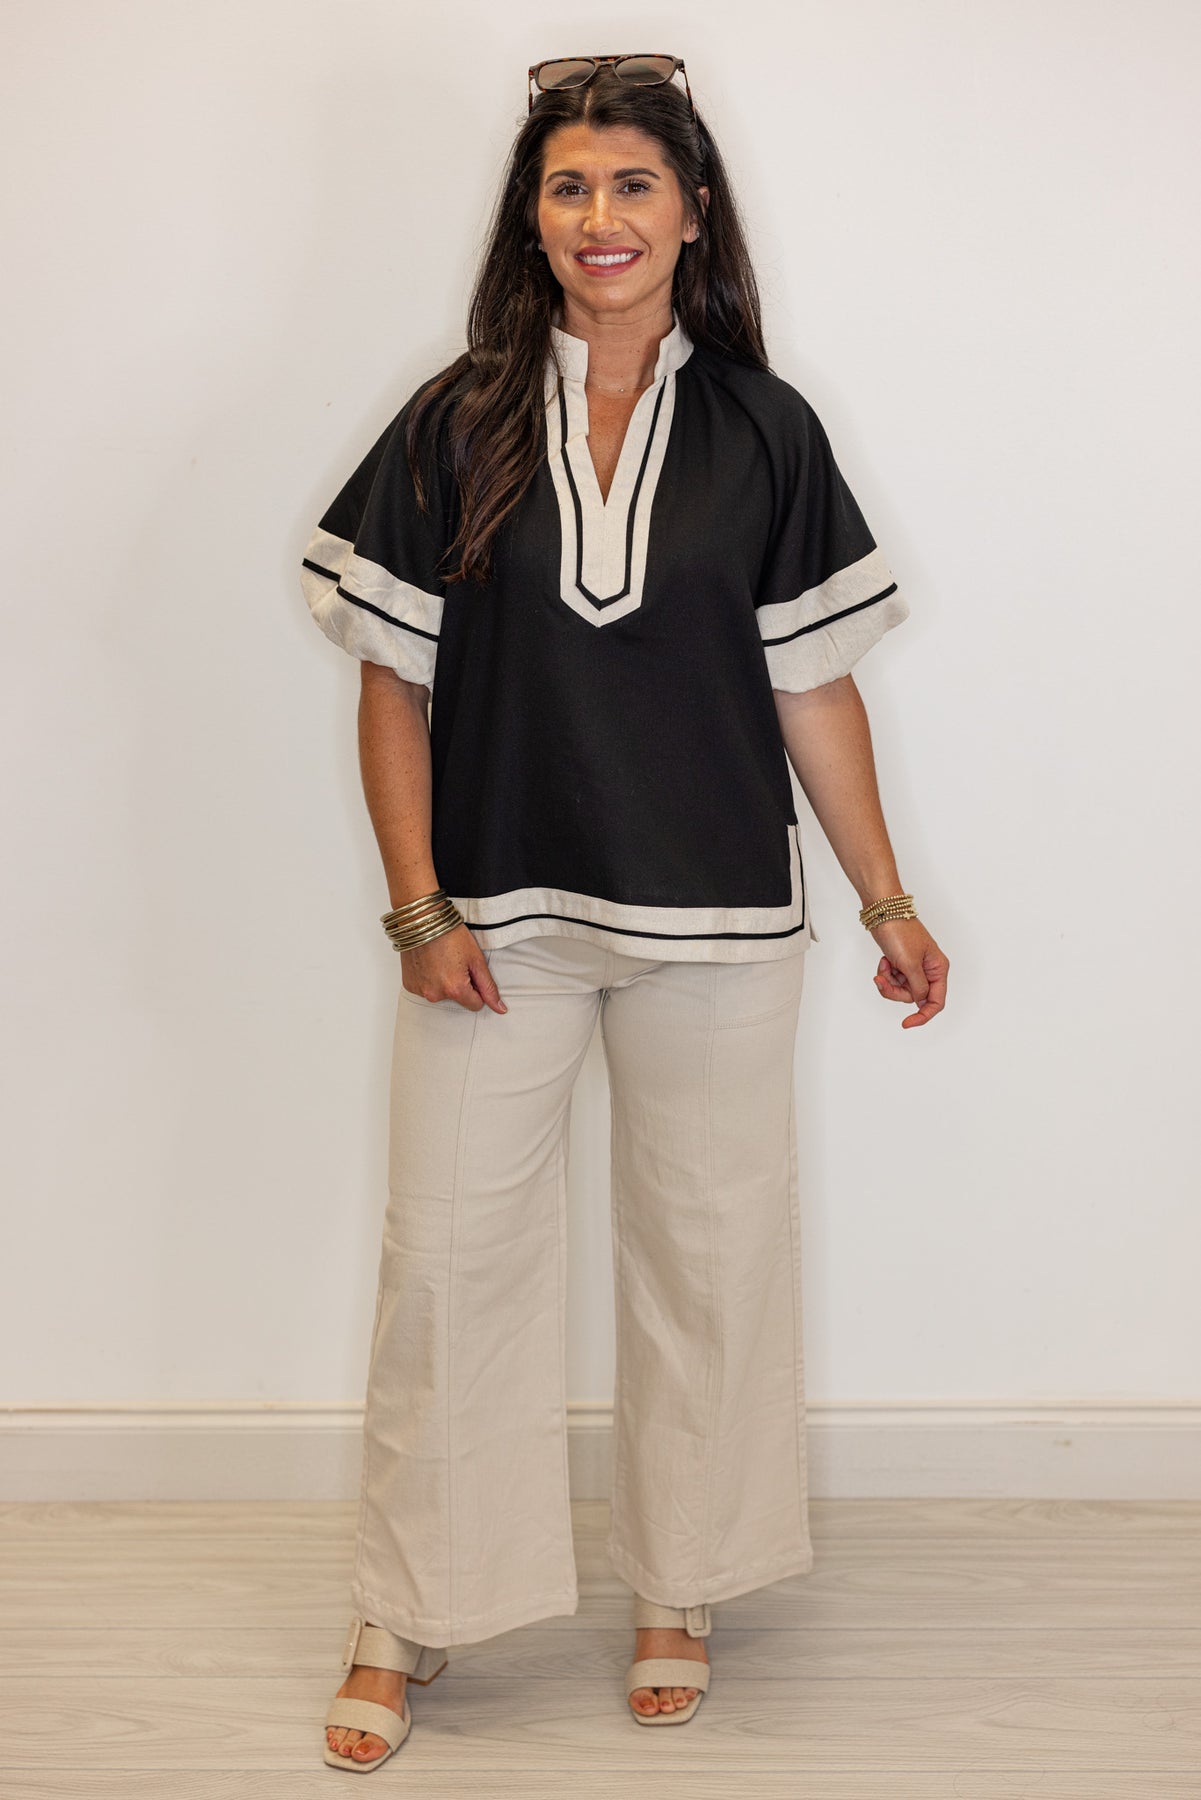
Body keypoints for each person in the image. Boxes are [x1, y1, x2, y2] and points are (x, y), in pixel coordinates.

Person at [303, 52, 949, 1773]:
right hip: (494, 923)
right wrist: (416, 908)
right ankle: (409, 1608)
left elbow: (812, 686)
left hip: (720, 926)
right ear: (533, 215)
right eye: (570, 186)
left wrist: (885, 895)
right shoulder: (452, 420)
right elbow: (390, 685)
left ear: (692, 212)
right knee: (447, 1265)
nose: (601, 217)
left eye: (633, 185)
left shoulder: (764, 428)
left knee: (710, 1261)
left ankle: (685, 1583)